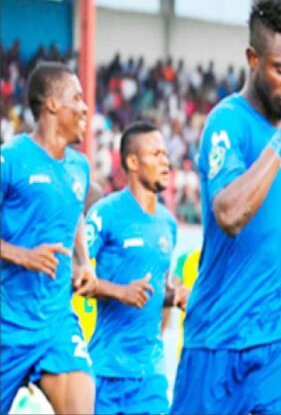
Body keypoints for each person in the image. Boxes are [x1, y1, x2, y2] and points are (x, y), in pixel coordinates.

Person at [170, 0, 281, 414]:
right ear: (253, 59)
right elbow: (231, 214)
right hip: (215, 341)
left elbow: (273, 222)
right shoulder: (228, 121)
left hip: (274, 336)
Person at [1, 62, 98, 414]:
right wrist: (21, 255)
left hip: (55, 322)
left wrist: (84, 262)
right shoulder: (11, 159)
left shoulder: (80, 168)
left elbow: (75, 215)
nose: (86, 107)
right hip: (7, 322)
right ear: (52, 105)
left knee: (82, 401)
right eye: (77, 98)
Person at [83, 123, 189, 414]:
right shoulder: (105, 213)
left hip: (151, 374)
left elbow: (155, 289)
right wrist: (119, 292)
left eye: (166, 154)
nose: (166, 162)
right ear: (132, 162)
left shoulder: (168, 224)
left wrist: (176, 296)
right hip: (107, 369)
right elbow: (73, 274)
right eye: (156, 154)